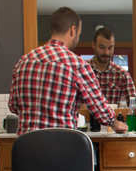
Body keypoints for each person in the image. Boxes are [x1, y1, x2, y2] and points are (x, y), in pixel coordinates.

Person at [9, 7, 127, 135]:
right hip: (63, 147)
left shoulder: (23, 62)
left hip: (27, 149)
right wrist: (114, 123)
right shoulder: (76, 65)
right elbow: (98, 108)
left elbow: (13, 106)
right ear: (73, 30)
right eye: (79, 33)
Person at [88, 26, 136, 105]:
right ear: (93, 45)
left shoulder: (122, 75)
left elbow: (134, 105)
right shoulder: (83, 71)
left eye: (110, 48)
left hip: (114, 117)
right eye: (102, 47)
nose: (106, 52)